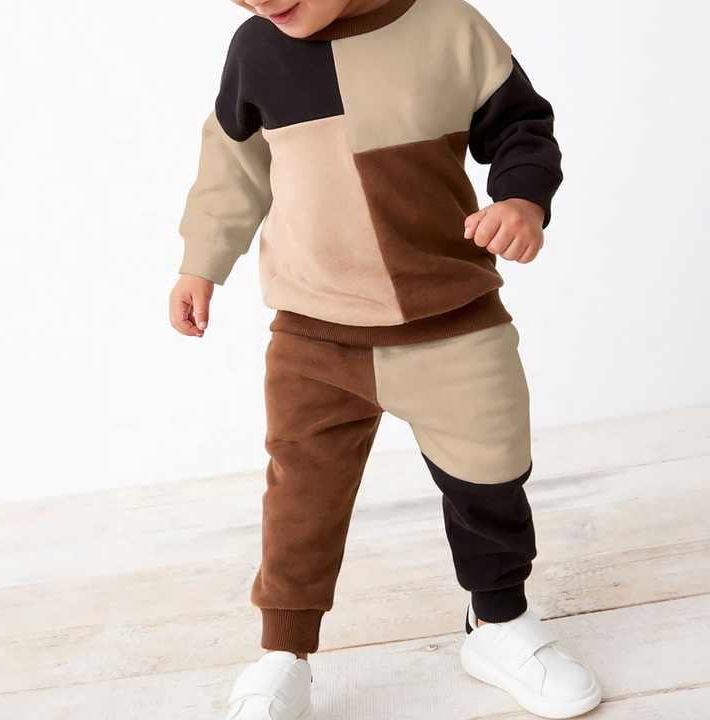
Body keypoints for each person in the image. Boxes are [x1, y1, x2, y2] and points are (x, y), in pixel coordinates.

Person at [169, 1, 602, 717]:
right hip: (314, 334)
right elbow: (232, 167)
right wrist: (200, 263)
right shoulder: (256, 50)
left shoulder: (448, 27)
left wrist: (522, 201)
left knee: (491, 477)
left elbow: (522, 126)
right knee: (301, 499)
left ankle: (498, 621)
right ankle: (283, 653)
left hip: (452, 317)